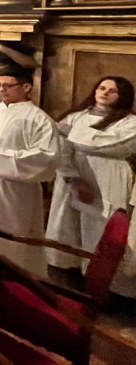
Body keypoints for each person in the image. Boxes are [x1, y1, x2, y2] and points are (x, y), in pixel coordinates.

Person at [46, 76, 136, 297]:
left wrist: (73, 141)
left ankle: (105, 288)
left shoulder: (130, 122)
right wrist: (72, 177)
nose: (104, 93)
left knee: (101, 230)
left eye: (112, 91)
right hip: (72, 175)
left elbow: (108, 145)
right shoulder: (75, 117)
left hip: (108, 177)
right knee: (66, 227)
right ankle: (68, 279)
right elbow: (58, 147)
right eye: (101, 87)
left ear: (123, 96)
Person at [0, 69, 59, 277]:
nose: (2, 90)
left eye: (8, 85)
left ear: (26, 87)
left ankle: (12, 281)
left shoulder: (39, 119)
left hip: (15, 189)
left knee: (10, 238)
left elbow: (46, 158)